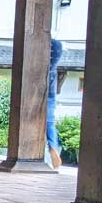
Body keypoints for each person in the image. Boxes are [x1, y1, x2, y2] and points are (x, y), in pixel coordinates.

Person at [46, 40, 63, 169]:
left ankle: (52, 147)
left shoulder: (44, 66)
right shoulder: (54, 65)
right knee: (50, 122)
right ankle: (53, 147)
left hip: (40, 89)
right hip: (52, 91)